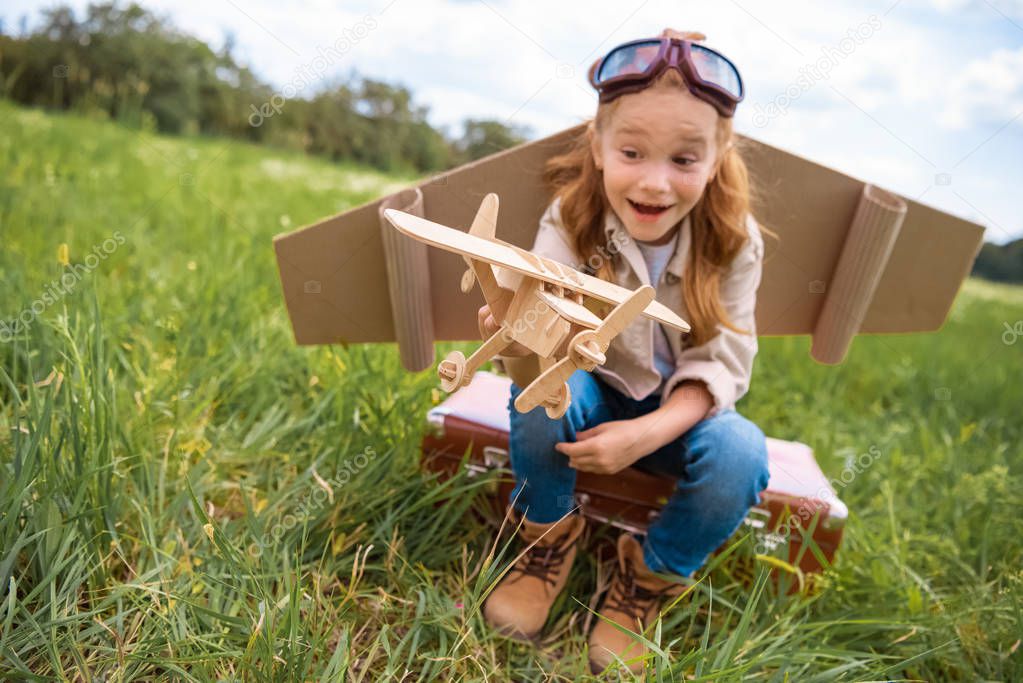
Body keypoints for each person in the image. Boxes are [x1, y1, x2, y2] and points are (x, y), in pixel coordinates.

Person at [478, 29, 773, 674]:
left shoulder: (733, 240)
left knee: (741, 456)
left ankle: (647, 581)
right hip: (588, 382)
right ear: (599, 145)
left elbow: (722, 362)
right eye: (632, 152)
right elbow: (544, 324)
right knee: (540, 396)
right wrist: (517, 330)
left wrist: (644, 436)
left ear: (720, 155)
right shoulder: (572, 216)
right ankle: (546, 537)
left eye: (685, 160)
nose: (655, 183)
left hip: (676, 414)